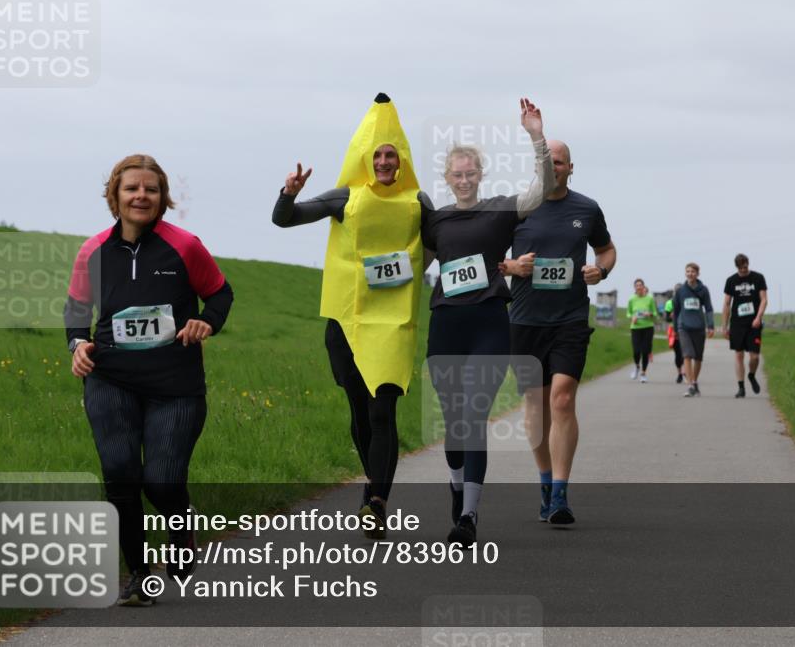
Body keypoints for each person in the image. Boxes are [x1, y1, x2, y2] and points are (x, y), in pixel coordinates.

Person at [65, 154, 234, 606]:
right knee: (119, 472)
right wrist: (77, 345)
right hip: (110, 377)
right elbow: (77, 310)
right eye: (131, 188)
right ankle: (139, 575)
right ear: (115, 196)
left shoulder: (185, 246)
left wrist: (206, 323)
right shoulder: (93, 250)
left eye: (151, 189)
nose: (141, 195)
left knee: (161, 481)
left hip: (174, 384)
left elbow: (219, 293)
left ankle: (181, 533)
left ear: (162, 198)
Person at [272, 93, 431, 540]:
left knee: (383, 410)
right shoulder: (346, 197)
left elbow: (447, 238)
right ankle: (373, 484)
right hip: (346, 321)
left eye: (391, 155)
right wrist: (289, 194)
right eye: (377, 154)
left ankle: (378, 502)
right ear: (365, 158)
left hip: (392, 323)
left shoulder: (418, 201)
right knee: (359, 413)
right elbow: (285, 220)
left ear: (402, 161)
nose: (384, 162)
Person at [425, 98, 554, 545]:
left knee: (474, 416)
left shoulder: (500, 209)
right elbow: (411, 264)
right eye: (457, 175)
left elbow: (540, 190)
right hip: (445, 326)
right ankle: (458, 489)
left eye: (471, 173)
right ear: (447, 179)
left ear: (481, 175)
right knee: (454, 422)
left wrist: (536, 136)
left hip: (488, 324)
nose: (464, 180)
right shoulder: (435, 220)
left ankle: (469, 517)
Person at [502, 139, 615, 525]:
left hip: (569, 319)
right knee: (536, 405)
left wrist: (601, 270)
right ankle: (546, 482)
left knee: (563, 400)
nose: (554, 168)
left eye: (561, 162)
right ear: (539, 168)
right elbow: (490, 258)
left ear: (570, 168)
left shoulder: (586, 208)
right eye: (547, 162)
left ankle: (561, 496)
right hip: (525, 320)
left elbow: (607, 250)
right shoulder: (518, 209)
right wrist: (513, 266)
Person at [722, 253, 768, 398]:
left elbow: (764, 300)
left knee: (754, 357)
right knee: (739, 354)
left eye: (745, 267)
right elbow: (727, 304)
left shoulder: (758, 278)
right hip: (737, 323)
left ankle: (752, 375)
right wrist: (724, 326)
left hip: (754, 323)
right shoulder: (731, 281)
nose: (743, 270)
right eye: (740, 268)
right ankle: (741, 387)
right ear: (737, 267)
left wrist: (758, 317)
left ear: (748, 263)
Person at [672, 262, 714, 397]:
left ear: (697, 274)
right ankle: (690, 385)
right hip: (684, 327)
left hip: (699, 327)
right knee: (687, 355)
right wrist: (675, 329)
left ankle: (695, 381)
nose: (690, 274)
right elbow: (676, 311)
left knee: (698, 358)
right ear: (685, 273)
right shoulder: (680, 291)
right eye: (688, 271)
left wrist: (711, 326)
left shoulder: (703, 290)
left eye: (693, 272)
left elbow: (708, 308)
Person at [626, 279, 658, 382]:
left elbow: (655, 313)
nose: (639, 287)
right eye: (637, 285)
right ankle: (636, 367)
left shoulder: (650, 299)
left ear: (644, 287)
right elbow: (628, 313)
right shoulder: (631, 299)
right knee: (636, 351)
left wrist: (650, 314)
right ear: (634, 287)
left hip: (648, 327)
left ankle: (643, 373)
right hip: (635, 328)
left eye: (640, 285)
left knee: (645, 351)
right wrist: (632, 318)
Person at [665, 284, 685, 383]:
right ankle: (679, 373)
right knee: (678, 353)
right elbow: (666, 318)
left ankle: (685, 371)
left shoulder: (685, 301)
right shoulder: (669, 303)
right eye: (676, 291)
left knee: (685, 352)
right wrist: (672, 316)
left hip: (685, 329)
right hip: (673, 330)